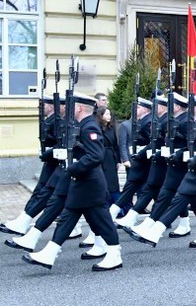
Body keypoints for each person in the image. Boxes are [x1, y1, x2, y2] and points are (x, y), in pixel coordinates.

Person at [23, 93, 123, 272]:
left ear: (79, 108)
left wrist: (72, 168)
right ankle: (50, 253)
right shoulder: (82, 125)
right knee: (68, 217)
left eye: (72, 105)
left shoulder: (89, 127)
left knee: (102, 219)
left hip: (91, 184)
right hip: (82, 181)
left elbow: (95, 156)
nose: (68, 108)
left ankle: (115, 254)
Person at [130, 95, 196, 260]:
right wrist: (180, 154)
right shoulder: (194, 124)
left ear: (195, 108)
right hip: (195, 172)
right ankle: (156, 231)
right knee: (179, 198)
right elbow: (190, 146)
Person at [1, 96, 60, 236]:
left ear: (51, 106)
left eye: (44, 105)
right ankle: (23, 221)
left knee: (46, 194)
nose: (41, 108)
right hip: (51, 162)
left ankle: (25, 223)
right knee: (41, 193)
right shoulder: (50, 120)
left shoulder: (57, 121)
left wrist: (47, 152)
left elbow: (59, 143)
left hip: (55, 163)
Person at [109, 97, 155, 227]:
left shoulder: (148, 122)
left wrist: (140, 154)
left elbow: (152, 143)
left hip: (147, 162)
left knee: (157, 191)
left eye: (138, 107)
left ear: (146, 109)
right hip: (140, 162)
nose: (135, 110)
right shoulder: (140, 122)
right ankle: (115, 214)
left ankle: (159, 220)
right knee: (132, 187)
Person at [95, 107, 121, 206]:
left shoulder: (111, 128)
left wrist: (118, 160)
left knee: (113, 182)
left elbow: (115, 145)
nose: (109, 116)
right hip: (102, 157)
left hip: (111, 157)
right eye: (106, 114)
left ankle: (115, 204)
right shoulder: (97, 128)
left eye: (109, 114)